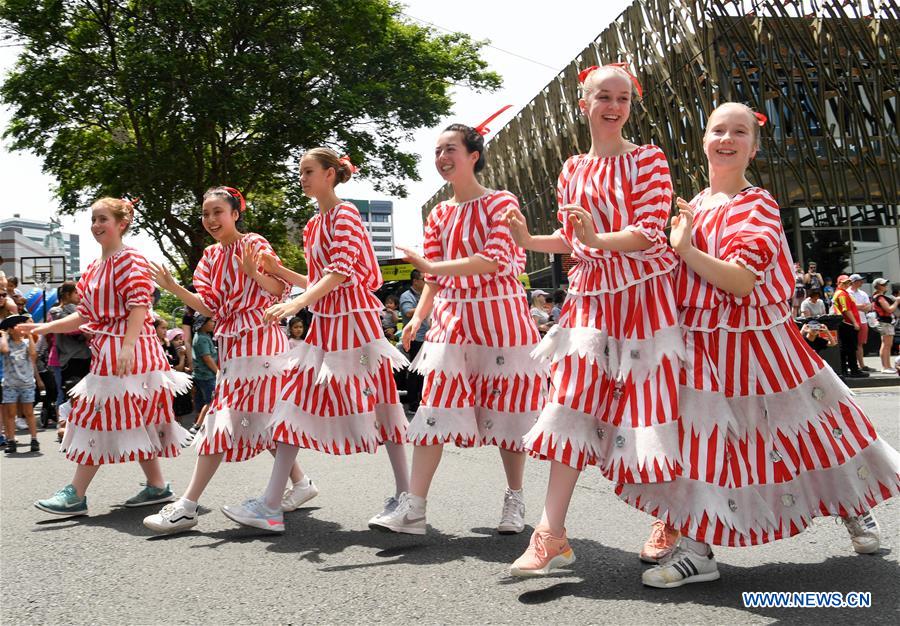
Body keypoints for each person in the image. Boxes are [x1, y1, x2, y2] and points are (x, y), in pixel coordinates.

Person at [616, 102, 900, 588]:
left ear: (753, 147)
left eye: (739, 132)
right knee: (701, 444)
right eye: (718, 130)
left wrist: (684, 248)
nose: (727, 138)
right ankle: (697, 550)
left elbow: (741, 281)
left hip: (763, 347)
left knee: (810, 432)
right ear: (704, 140)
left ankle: (853, 504)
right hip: (703, 348)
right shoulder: (694, 204)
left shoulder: (759, 204)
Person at [504, 65, 682, 575]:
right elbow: (573, 238)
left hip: (645, 297)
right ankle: (550, 535)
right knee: (570, 402)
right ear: (583, 104)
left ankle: (670, 519)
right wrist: (529, 240)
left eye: (623, 98)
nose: (614, 106)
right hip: (589, 301)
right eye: (604, 96)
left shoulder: (648, 159)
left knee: (654, 407)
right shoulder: (572, 168)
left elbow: (649, 231)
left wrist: (598, 239)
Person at [372, 112, 546, 537]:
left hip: (502, 322)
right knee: (433, 408)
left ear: (474, 156)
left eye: (450, 149)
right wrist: (417, 317)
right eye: (437, 152)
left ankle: (515, 497)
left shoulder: (501, 203)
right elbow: (433, 279)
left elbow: (493, 260)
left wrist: (432, 267)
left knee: (507, 414)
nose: (442, 157)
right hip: (452, 325)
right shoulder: (438, 215)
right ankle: (414, 507)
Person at [221, 149, 410, 532]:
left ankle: (406, 497)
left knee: (381, 403)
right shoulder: (313, 224)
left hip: (354, 322)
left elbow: (340, 273)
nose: (302, 178)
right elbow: (318, 280)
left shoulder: (346, 214)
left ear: (330, 174)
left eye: (308, 171)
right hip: (325, 325)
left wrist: (297, 302)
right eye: (301, 172)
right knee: (294, 403)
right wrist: (280, 271)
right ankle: (272, 503)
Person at [143, 187, 308, 534]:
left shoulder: (254, 242)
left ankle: (187, 504)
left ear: (235, 213)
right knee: (264, 417)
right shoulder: (209, 257)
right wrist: (174, 288)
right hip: (232, 344)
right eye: (206, 213)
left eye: (218, 211)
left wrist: (253, 272)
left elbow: (280, 290)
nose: (211, 219)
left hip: (261, 339)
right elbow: (210, 306)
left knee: (223, 418)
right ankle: (301, 483)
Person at [24, 197, 190, 516]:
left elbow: (139, 305)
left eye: (103, 219)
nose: (96, 225)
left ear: (121, 224)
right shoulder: (93, 267)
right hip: (110, 350)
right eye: (94, 219)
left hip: (131, 352)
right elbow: (84, 315)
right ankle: (157, 485)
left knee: (95, 416)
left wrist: (127, 346)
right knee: (134, 417)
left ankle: (76, 493)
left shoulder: (131, 259)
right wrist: (44, 327)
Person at [1, 316, 43, 454]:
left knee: (29, 412)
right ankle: (11, 440)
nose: (21, 329)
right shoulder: (5, 342)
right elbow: (5, 350)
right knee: (11, 414)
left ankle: (34, 439)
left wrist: (29, 335)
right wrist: (4, 334)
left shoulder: (26, 342)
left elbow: (33, 354)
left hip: (26, 383)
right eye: (18, 326)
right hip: (10, 384)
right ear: (11, 329)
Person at [399, 270, 430, 413]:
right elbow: (407, 312)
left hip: (426, 337)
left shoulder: (424, 295)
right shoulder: (407, 296)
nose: (426, 281)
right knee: (415, 371)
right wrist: (426, 306)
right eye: (423, 279)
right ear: (415, 281)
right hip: (415, 338)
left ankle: (422, 399)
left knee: (424, 371)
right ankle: (413, 403)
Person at [832, 275, 867, 378]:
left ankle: (847, 370)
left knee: (847, 348)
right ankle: (853, 370)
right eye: (844, 283)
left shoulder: (843, 293)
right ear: (839, 283)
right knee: (850, 348)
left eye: (848, 282)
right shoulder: (842, 294)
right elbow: (846, 309)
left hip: (846, 324)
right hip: (847, 324)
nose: (847, 284)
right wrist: (854, 322)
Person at [189, 315, 217, 433]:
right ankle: (198, 426)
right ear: (202, 323)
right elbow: (207, 358)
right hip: (207, 376)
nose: (213, 323)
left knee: (203, 402)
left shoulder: (203, 336)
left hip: (203, 375)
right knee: (212, 401)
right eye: (211, 321)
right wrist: (218, 372)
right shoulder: (201, 338)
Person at [848, 274, 874, 372]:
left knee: (860, 344)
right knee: (851, 344)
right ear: (853, 282)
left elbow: (868, 307)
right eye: (859, 281)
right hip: (850, 321)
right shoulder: (847, 293)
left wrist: (856, 306)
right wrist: (861, 306)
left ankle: (861, 365)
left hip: (862, 320)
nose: (861, 282)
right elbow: (849, 307)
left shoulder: (863, 293)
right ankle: (853, 365)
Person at [872, 278, 898, 373]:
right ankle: (885, 367)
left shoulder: (881, 297)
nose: (885, 286)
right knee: (886, 345)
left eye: (885, 284)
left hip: (887, 322)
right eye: (883, 285)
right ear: (877, 286)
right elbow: (889, 309)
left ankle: (888, 366)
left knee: (887, 345)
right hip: (884, 322)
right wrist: (897, 301)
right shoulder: (880, 297)